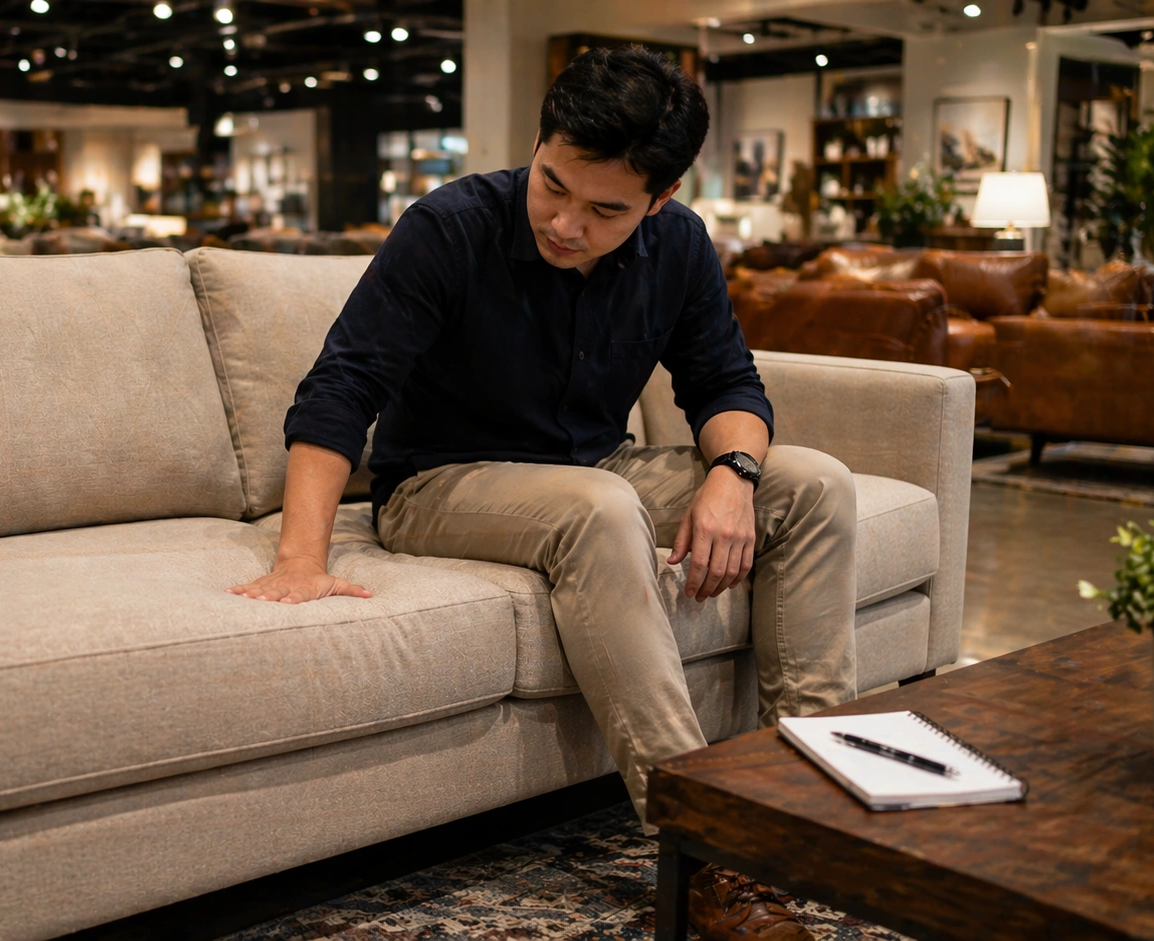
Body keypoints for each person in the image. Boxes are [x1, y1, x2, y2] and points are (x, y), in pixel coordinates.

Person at [228, 45, 856, 941]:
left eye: (605, 210)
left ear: (661, 200)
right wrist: (300, 559)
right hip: (442, 483)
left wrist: (734, 475)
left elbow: (726, 383)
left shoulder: (678, 245)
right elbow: (342, 386)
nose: (565, 223)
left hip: (596, 466)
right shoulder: (450, 228)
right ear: (538, 142)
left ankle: (809, 810)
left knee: (815, 482)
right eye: (553, 185)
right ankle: (704, 849)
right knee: (601, 509)